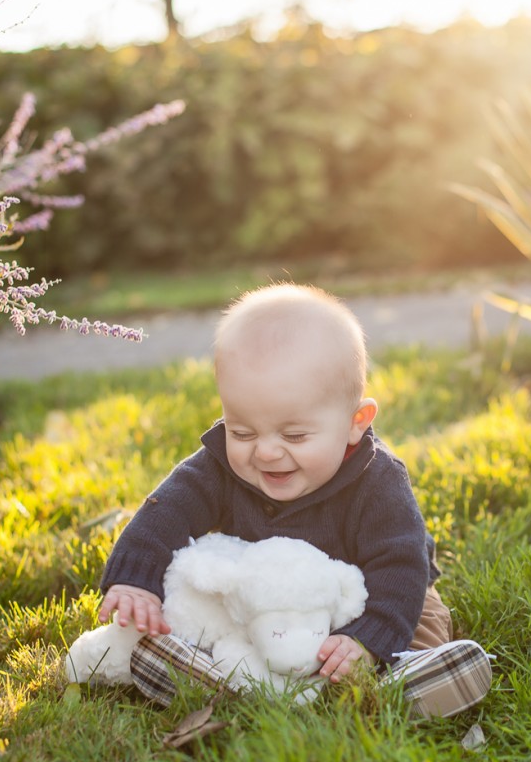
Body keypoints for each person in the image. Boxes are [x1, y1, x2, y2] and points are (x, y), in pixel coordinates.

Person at [98, 283, 492, 717]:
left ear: (355, 423)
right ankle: (204, 675)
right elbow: (166, 511)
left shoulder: (379, 482)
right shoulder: (218, 467)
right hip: (267, 604)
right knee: (206, 615)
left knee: (421, 619)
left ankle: (402, 682)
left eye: (295, 435)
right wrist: (135, 578)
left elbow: (401, 564)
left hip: (368, 596)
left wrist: (368, 638)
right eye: (242, 431)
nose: (265, 452)